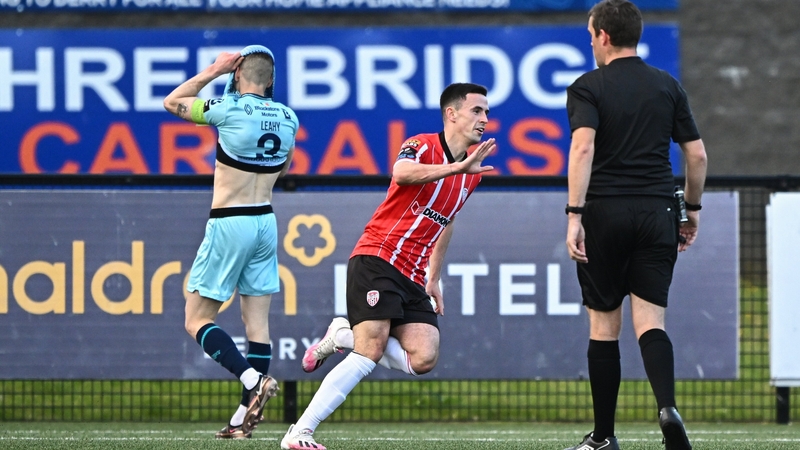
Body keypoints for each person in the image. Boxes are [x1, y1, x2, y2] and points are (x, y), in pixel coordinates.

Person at [280, 83, 496, 450]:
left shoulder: (472, 172)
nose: (485, 119)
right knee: (371, 349)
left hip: (413, 273)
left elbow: (447, 218)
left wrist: (434, 276)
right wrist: (453, 167)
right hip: (378, 255)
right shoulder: (422, 144)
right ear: (452, 114)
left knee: (424, 357)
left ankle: (344, 335)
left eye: (486, 112)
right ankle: (299, 433)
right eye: (477, 111)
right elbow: (402, 173)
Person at [563, 1, 708, 450]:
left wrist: (574, 214)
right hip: (657, 210)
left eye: (591, 34)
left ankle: (604, 437)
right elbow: (698, 155)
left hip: (604, 213)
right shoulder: (667, 85)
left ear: (604, 35)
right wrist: (693, 208)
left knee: (604, 327)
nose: (590, 41)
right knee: (651, 323)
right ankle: (666, 406)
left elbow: (582, 150)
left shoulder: (587, 87)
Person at [163, 45, 299, 439]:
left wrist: (214, 68)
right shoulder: (288, 117)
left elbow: (173, 102)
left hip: (230, 220)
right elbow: (283, 166)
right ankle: (243, 418)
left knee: (196, 319)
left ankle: (252, 379)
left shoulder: (227, 108)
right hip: (265, 221)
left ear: (237, 75)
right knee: (256, 322)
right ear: (271, 80)